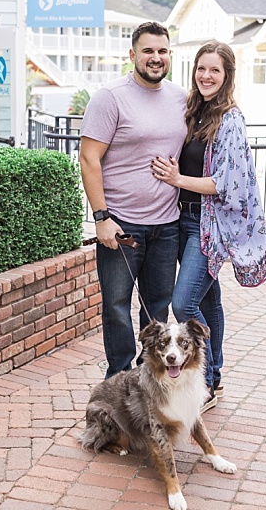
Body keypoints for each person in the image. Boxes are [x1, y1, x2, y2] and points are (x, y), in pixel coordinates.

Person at [151, 41, 266, 411]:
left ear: (227, 76)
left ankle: (203, 381)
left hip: (207, 225)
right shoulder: (195, 110)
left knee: (183, 302)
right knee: (210, 300)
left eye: (215, 70)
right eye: (201, 68)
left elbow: (225, 184)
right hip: (182, 218)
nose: (206, 76)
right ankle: (216, 377)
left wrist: (176, 180)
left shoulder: (230, 120)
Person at [79, 21, 188, 376]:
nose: (155, 58)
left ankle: (149, 375)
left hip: (166, 224)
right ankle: (119, 376)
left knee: (158, 308)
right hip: (121, 226)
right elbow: (88, 158)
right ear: (132, 55)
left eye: (162, 51)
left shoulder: (181, 98)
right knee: (115, 306)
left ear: (169, 55)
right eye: (148, 51)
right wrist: (101, 217)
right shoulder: (110, 97)